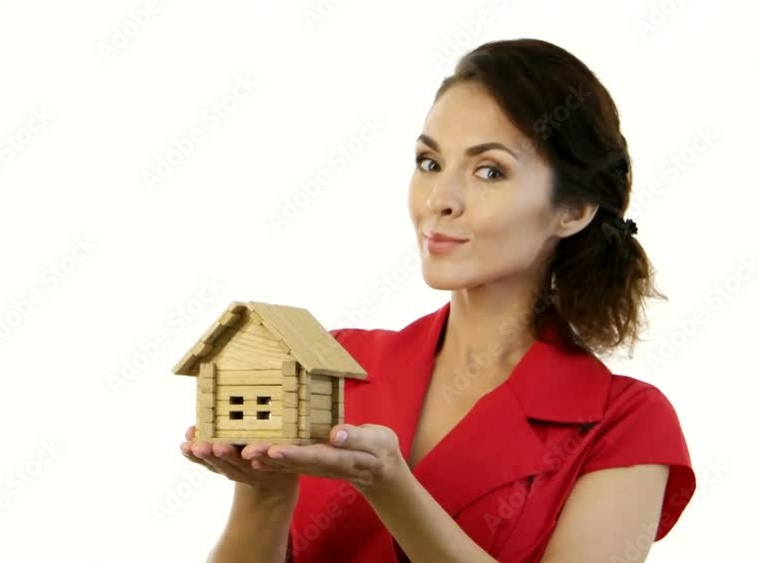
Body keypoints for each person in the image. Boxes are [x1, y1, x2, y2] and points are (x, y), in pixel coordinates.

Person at [179, 38, 695, 563]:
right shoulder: (335, 366)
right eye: (429, 162)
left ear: (573, 210)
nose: (438, 200)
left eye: (489, 171)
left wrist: (390, 485)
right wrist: (263, 493)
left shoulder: (625, 424)